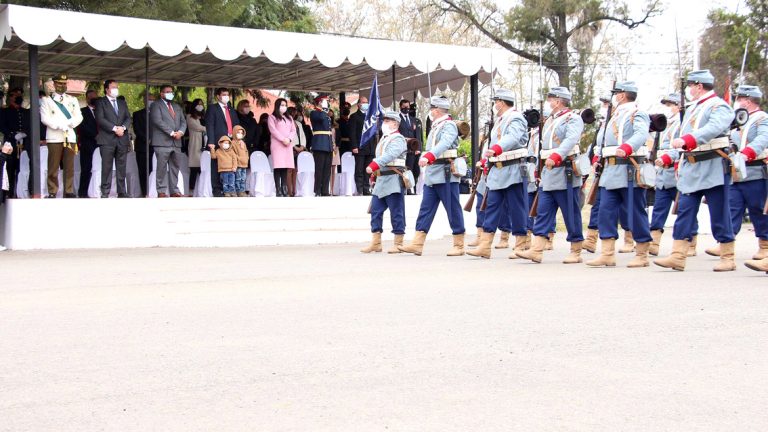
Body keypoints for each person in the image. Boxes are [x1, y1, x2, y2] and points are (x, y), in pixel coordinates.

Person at [654, 70, 737, 271]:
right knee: (685, 210)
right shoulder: (692, 109)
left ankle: (728, 256)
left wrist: (689, 140)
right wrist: (670, 156)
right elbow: (681, 140)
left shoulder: (719, 106)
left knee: (719, 212)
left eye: (691, 86)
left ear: (699, 86)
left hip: (713, 165)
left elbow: (714, 128)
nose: (689, 90)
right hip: (691, 166)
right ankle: (678, 255)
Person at [586, 81, 652, 268]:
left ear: (623, 95)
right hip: (610, 170)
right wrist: (598, 156)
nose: (615, 97)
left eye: (617, 93)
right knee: (605, 211)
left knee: (635, 212)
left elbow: (641, 134)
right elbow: (602, 141)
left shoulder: (637, 113)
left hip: (629, 168)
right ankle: (607, 253)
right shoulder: (614, 115)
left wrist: (627, 146)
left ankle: (642, 253)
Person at [516, 87, 585, 263]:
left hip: (565, 170)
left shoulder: (573, 118)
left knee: (570, 212)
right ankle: (537, 249)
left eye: (551, 99)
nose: (549, 102)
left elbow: (570, 140)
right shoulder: (550, 121)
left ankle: (576, 249)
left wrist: (556, 156)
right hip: (548, 172)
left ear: (559, 101)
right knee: (543, 211)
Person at [466, 89, 529, 260]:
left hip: (513, 168)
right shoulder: (501, 120)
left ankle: (520, 244)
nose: (495, 105)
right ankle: (485, 245)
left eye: (496, 102)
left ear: (501, 102)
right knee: (491, 206)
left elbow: (513, 137)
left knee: (516, 208)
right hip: (498, 169)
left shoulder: (515, 117)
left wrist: (495, 149)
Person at [399, 96, 466, 256]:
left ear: (436, 110)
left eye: (431, 109)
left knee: (452, 208)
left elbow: (444, 143)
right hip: (433, 173)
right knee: (426, 209)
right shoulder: (437, 125)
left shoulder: (448, 125)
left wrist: (429, 156)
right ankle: (417, 243)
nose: (430, 112)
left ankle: (459, 244)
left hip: (445, 173)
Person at [718, 85, 767, 262]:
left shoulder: (762, 119)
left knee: (758, 208)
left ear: (748, 101)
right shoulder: (738, 120)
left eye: (740, 99)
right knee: (731, 207)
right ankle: (726, 243)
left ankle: (764, 244)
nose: (737, 102)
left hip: (755, 170)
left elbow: (763, 138)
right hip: (736, 172)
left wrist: (749, 152)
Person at [360, 110, 414, 253]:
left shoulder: (398, 139)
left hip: (394, 179)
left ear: (395, 124)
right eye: (384, 121)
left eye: (387, 121)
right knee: (375, 211)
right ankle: (376, 242)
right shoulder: (385, 138)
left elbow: (390, 155)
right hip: (382, 179)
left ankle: (398, 243)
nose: (384, 123)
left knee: (396, 211)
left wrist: (373, 165)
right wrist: (375, 173)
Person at [649, 93, 690, 256]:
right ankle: (654, 241)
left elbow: (681, 147)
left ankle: (690, 241)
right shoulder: (666, 124)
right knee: (659, 208)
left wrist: (668, 157)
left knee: (685, 208)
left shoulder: (683, 122)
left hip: (677, 170)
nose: (669, 108)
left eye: (671, 105)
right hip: (663, 172)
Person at [41, 74, 83, 198]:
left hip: (69, 135)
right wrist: (59, 125)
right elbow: (44, 118)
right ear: (54, 84)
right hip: (54, 136)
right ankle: (52, 191)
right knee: (53, 165)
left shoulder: (72, 100)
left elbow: (79, 116)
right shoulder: (47, 100)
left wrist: (71, 123)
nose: (62, 86)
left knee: (69, 165)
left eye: (64, 84)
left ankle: (68, 190)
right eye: (59, 83)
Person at [150, 84, 187, 198]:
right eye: (167, 91)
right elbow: (157, 121)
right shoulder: (156, 105)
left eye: (171, 91)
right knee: (161, 167)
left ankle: (174, 190)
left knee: (175, 167)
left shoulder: (176, 106)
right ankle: (161, 190)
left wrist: (180, 132)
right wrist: (171, 132)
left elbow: (183, 122)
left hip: (176, 142)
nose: (170, 93)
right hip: (162, 141)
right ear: (161, 93)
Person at [205, 88, 239, 197]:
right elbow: (210, 125)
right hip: (217, 142)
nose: (226, 97)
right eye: (224, 95)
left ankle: (229, 189)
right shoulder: (212, 108)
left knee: (230, 166)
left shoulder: (231, 109)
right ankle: (217, 189)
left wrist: (237, 140)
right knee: (217, 166)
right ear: (218, 96)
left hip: (230, 142)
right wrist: (211, 141)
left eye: (227, 95)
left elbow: (236, 125)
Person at [0, 87, 31, 198]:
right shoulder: (5, 111)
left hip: (24, 143)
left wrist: (25, 133)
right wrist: (13, 135)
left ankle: (22, 191)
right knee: (10, 167)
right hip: (11, 143)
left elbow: (30, 125)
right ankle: (9, 192)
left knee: (23, 168)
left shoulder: (26, 112)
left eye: (20, 95)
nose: (18, 97)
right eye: (15, 95)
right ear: (10, 97)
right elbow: (2, 126)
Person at [268, 98, 297, 197]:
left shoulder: (289, 118)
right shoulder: (272, 117)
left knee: (285, 167)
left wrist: (289, 139)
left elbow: (293, 130)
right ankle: (278, 190)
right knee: (278, 166)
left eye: (285, 105)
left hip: (287, 145)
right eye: (282, 105)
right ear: (277, 106)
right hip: (277, 144)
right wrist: (282, 139)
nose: (284, 107)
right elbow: (273, 130)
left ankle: (285, 188)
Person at [75, 90, 99, 198]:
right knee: (86, 169)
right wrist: (95, 135)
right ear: (87, 99)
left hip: (101, 144)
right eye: (92, 98)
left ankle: (96, 190)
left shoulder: (100, 111)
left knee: (98, 169)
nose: (94, 100)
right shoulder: (82, 111)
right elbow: (82, 127)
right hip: (88, 144)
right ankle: (83, 193)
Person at [350, 96, 376, 195]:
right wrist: (354, 146)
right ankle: (359, 189)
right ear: (358, 104)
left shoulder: (370, 117)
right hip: (359, 147)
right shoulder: (354, 116)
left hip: (370, 147)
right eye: (363, 102)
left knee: (368, 169)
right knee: (359, 170)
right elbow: (352, 133)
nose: (366, 104)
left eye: (366, 102)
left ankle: (366, 189)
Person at [310, 96, 333, 197]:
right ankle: (317, 190)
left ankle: (325, 190)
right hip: (319, 143)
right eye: (325, 102)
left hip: (327, 143)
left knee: (327, 169)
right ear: (319, 102)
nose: (327, 103)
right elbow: (321, 118)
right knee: (319, 168)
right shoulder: (314, 113)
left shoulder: (325, 114)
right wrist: (323, 109)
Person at [186, 98, 206, 194]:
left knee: (203, 168)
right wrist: (207, 128)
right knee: (194, 168)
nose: (200, 106)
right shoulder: (190, 117)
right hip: (195, 145)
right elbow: (197, 127)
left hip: (204, 145)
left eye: (201, 104)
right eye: (198, 104)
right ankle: (191, 190)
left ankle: (202, 190)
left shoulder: (203, 117)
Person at [286, 107, 307, 197]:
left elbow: (302, 135)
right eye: (293, 112)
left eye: (295, 113)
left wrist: (302, 146)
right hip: (290, 147)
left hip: (299, 147)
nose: (294, 114)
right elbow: (287, 136)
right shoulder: (286, 123)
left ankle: (295, 191)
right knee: (289, 170)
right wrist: (293, 146)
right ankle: (289, 191)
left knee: (296, 170)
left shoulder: (298, 123)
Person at [232, 125, 249, 197]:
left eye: (241, 133)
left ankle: (242, 191)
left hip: (244, 164)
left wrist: (246, 158)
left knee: (243, 178)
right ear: (234, 133)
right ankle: (238, 191)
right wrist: (239, 158)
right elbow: (233, 154)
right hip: (238, 164)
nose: (240, 134)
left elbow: (246, 151)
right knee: (238, 178)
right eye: (238, 132)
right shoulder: (233, 143)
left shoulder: (243, 143)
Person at [329, 109, 341, 195]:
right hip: (327, 148)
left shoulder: (336, 125)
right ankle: (326, 188)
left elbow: (339, 138)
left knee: (333, 169)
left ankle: (332, 190)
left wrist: (337, 147)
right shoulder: (323, 125)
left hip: (335, 148)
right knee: (327, 170)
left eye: (331, 115)